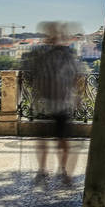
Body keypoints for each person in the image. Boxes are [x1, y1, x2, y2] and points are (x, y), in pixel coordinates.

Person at [27, 21, 82, 186]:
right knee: (46, 140)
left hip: (61, 103)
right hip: (45, 103)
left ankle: (62, 171)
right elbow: (31, 75)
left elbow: (76, 77)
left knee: (62, 140)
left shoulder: (66, 54)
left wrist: (76, 95)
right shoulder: (41, 54)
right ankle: (44, 170)